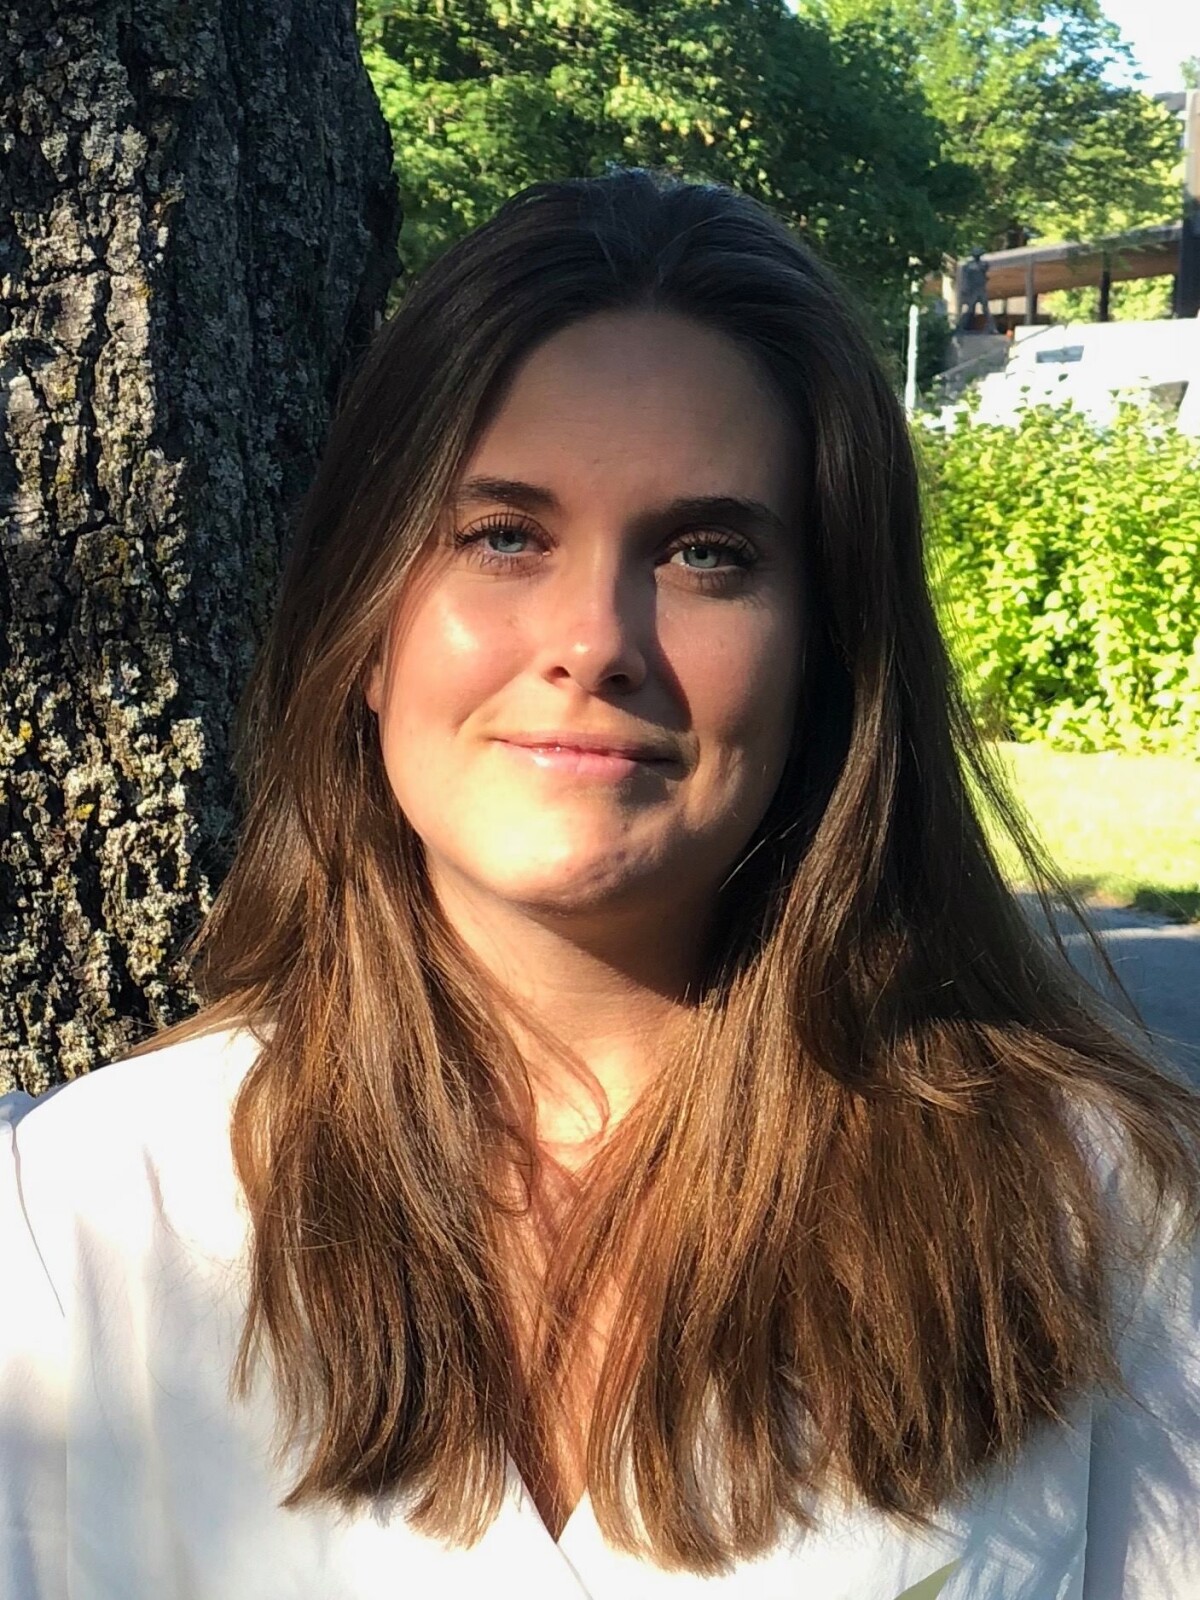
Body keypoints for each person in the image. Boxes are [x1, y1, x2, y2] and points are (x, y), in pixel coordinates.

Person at [2, 167, 1198, 1600]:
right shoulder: (81, 1215)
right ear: (366, 625)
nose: (596, 641)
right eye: (503, 535)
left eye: (706, 554)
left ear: (826, 658)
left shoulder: (1098, 1216)